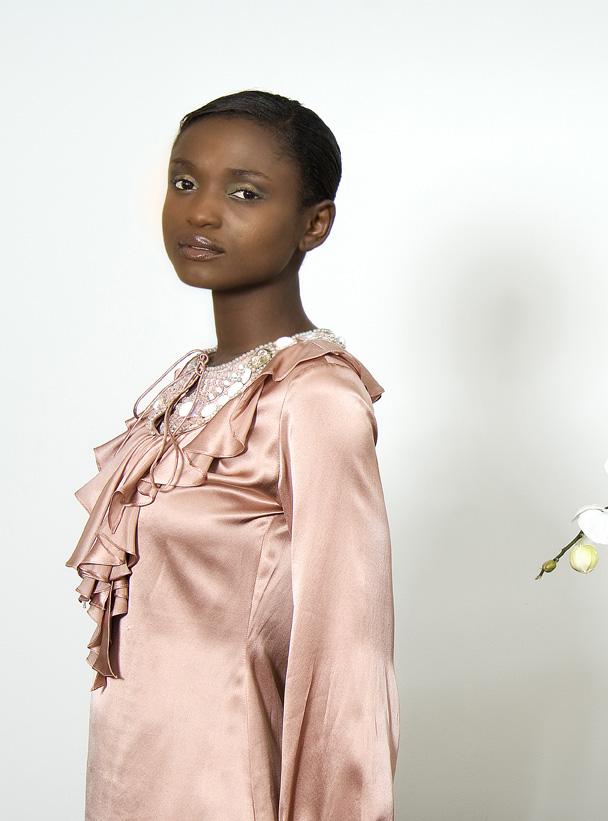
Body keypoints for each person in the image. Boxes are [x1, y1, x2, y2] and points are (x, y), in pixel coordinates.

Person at [67, 91, 399, 820]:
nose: (201, 213)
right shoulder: (188, 388)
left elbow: (347, 658)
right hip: (129, 776)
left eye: (244, 192)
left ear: (314, 223)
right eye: (185, 182)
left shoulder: (314, 400)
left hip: (225, 784)